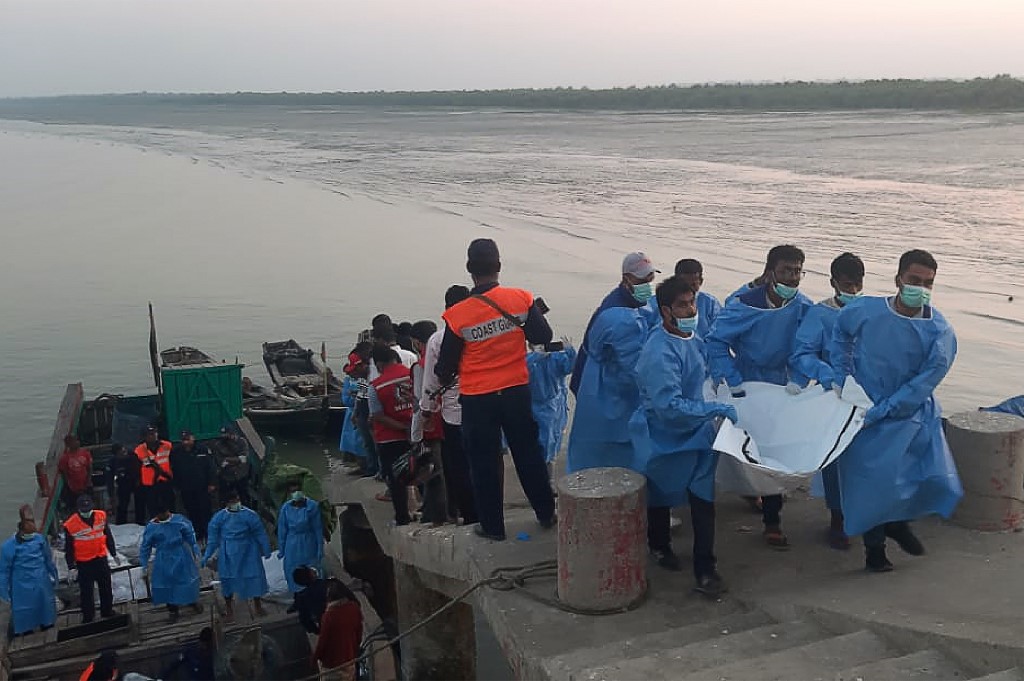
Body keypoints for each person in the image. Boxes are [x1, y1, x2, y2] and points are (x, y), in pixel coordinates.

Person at [830, 249, 962, 572]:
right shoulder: (865, 310)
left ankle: (897, 523)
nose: (920, 287)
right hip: (864, 410)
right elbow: (840, 334)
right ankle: (875, 551)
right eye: (914, 280)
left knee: (916, 479)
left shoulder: (940, 332)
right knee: (870, 483)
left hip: (911, 415)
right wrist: (841, 377)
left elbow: (923, 382)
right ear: (898, 279)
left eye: (927, 283)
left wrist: (888, 408)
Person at [435, 238, 557, 541]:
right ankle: (545, 513)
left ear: (469, 270)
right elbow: (543, 335)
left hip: (478, 399)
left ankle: (493, 527)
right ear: (499, 267)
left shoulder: (458, 315)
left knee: (484, 463)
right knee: (528, 453)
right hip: (516, 391)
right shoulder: (520, 299)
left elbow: (445, 368)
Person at [707, 244, 813, 549]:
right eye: (785, 271)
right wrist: (734, 380)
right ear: (769, 273)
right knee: (741, 443)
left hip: (781, 384)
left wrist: (801, 378)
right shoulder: (745, 305)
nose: (793, 278)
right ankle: (745, 489)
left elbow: (809, 347)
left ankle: (772, 520)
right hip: (748, 380)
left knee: (774, 449)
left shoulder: (803, 307)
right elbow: (716, 342)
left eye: (797, 271)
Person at [634, 277, 736, 592]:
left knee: (703, 499)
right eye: (682, 304)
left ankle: (705, 568)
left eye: (692, 302)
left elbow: (706, 372)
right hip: (664, 434)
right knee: (660, 494)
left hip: (697, 433)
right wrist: (712, 409)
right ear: (665, 310)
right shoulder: (658, 352)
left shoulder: (694, 338)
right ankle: (659, 545)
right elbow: (668, 406)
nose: (691, 309)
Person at [790, 252, 866, 550]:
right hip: (833, 396)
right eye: (847, 284)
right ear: (833, 282)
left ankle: (863, 512)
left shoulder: (870, 311)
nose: (853, 291)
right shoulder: (820, 314)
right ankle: (837, 519)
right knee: (835, 458)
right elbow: (801, 354)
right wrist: (827, 374)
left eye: (858, 284)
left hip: (865, 394)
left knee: (864, 457)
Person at [420, 285, 479, 525]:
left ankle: (467, 514)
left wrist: (427, 410)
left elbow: (431, 382)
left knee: (458, 467)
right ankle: (489, 510)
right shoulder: (480, 332)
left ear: (446, 309)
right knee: (486, 461)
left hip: (454, 414)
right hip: (485, 406)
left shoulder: (438, 339)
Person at [570, 252, 659, 395]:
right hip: (600, 387)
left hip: (594, 375)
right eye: (642, 282)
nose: (647, 287)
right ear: (627, 279)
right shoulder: (619, 317)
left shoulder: (627, 298)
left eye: (650, 281)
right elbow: (632, 369)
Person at [203, 490, 271, 619]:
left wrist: (265, 548)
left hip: (248, 551)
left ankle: (258, 605)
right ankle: (229, 607)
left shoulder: (250, 515)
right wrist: (207, 554)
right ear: (226, 503)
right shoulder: (219, 518)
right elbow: (213, 538)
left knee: (254, 576)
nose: (236, 503)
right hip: (228, 552)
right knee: (228, 580)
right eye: (232, 501)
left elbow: (259, 532)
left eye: (237, 500)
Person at [368, 346, 415, 526]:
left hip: (390, 440)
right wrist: (412, 427)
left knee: (396, 481)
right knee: (426, 474)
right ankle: (430, 512)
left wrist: (402, 428)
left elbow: (378, 416)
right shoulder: (414, 375)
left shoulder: (376, 386)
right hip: (419, 434)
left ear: (379, 364)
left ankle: (402, 518)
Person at [140, 503, 202, 621]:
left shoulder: (179, 521)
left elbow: (190, 536)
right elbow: (145, 546)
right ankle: (173, 610)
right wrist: (144, 564)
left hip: (181, 554)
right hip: (164, 558)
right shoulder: (152, 527)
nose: (163, 517)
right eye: (160, 515)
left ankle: (191, 600)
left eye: (165, 514)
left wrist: (195, 551)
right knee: (167, 583)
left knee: (187, 579)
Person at [63, 495, 117, 623]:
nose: (87, 512)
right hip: (84, 563)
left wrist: (114, 553)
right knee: (86, 592)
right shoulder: (71, 524)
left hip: (100, 558)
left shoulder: (101, 516)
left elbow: (107, 535)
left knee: (106, 587)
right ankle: (88, 616)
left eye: (88, 509)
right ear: (78, 509)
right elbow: (69, 548)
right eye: (84, 510)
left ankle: (107, 611)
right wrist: (71, 566)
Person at [0, 519, 58, 636]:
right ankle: (26, 631)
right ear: (20, 532)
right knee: (25, 609)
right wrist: (3, 590)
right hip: (21, 583)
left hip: (41, 579)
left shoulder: (39, 539)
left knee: (45, 604)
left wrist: (54, 574)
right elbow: (4, 571)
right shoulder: (8, 546)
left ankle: (46, 624)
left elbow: (47, 559)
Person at [526, 341, 577, 468]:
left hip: (552, 406)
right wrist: (535, 356)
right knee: (541, 442)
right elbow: (520, 371)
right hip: (538, 406)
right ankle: (543, 474)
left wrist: (570, 352)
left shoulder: (554, 359)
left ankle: (547, 475)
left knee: (551, 441)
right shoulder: (530, 362)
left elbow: (571, 366)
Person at [170, 431, 216, 544]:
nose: (186, 442)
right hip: (186, 487)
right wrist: (176, 485)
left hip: (202, 487)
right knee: (192, 511)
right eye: (184, 440)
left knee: (205, 511)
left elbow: (211, 468)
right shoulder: (177, 453)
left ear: (193, 438)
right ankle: (198, 535)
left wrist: (212, 483)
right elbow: (174, 470)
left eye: (188, 439)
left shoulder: (202, 450)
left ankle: (208, 535)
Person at [311, 580, 363, 681]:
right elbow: (359, 633)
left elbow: (323, 641)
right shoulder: (354, 607)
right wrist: (354, 650)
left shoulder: (329, 615)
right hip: (349, 658)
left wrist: (314, 658)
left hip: (332, 663)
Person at [277, 481, 324, 592]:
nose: (296, 493)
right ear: (289, 493)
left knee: (311, 568)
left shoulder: (312, 506)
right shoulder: (286, 508)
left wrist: (320, 547)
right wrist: (282, 548)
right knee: (291, 569)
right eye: (293, 491)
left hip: (308, 541)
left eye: (298, 490)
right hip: (292, 542)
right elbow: (282, 529)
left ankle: (315, 594)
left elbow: (317, 528)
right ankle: (297, 595)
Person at [347, 342, 380, 479]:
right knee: (367, 442)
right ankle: (371, 468)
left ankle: (379, 470)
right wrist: (355, 413)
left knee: (376, 442)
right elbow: (360, 395)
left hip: (371, 409)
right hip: (362, 408)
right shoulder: (362, 377)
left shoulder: (374, 375)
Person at [134, 426, 174, 518]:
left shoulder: (167, 446)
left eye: (154, 433)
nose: (153, 436)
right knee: (153, 509)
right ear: (145, 436)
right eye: (150, 434)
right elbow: (136, 468)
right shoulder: (139, 450)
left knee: (170, 507)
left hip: (165, 480)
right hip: (149, 485)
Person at [339, 356, 369, 473]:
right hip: (352, 413)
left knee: (362, 441)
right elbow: (345, 399)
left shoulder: (365, 380)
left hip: (361, 413)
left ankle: (367, 466)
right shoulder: (348, 381)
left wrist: (356, 396)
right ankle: (360, 465)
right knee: (353, 441)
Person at [211, 427, 251, 507]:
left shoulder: (241, 442)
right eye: (223, 435)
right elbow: (221, 462)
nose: (225, 437)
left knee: (244, 498)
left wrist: (228, 459)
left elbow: (244, 459)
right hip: (227, 476)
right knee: (224, 500)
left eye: (227, 435)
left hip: (241, 475)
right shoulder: (218, 445)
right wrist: (236, 460)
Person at [104, 443, 142, 525]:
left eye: (124, 451)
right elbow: (109, 479)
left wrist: (139, 480)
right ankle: (121, 523)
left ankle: (140, 521)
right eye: (120, 453)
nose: (123, 453)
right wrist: (111, 495)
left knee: (140, 503)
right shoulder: (112, 461)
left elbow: (141, 469)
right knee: (122, 504)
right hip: (123, 483)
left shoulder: (133, 456)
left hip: (137, 481)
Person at [58, 435, 93, 514]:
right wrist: (70, 485)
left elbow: (90, 468)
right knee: (75, 508)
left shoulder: (85, 453)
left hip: (86, 485)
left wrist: (88, 481)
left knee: (89, 503)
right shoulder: (64, 458)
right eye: (74, 441)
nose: (77, 443)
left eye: (77, 440)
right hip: (73, 488)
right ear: (68, 444)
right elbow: (64, 473)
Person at [292, 567, 330, 634]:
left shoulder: (302, 597)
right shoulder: (330, 584)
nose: (313, 569)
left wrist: (317, 631)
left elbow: (304, 619)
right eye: (309, 569)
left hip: (327, 627)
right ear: (310, 574)